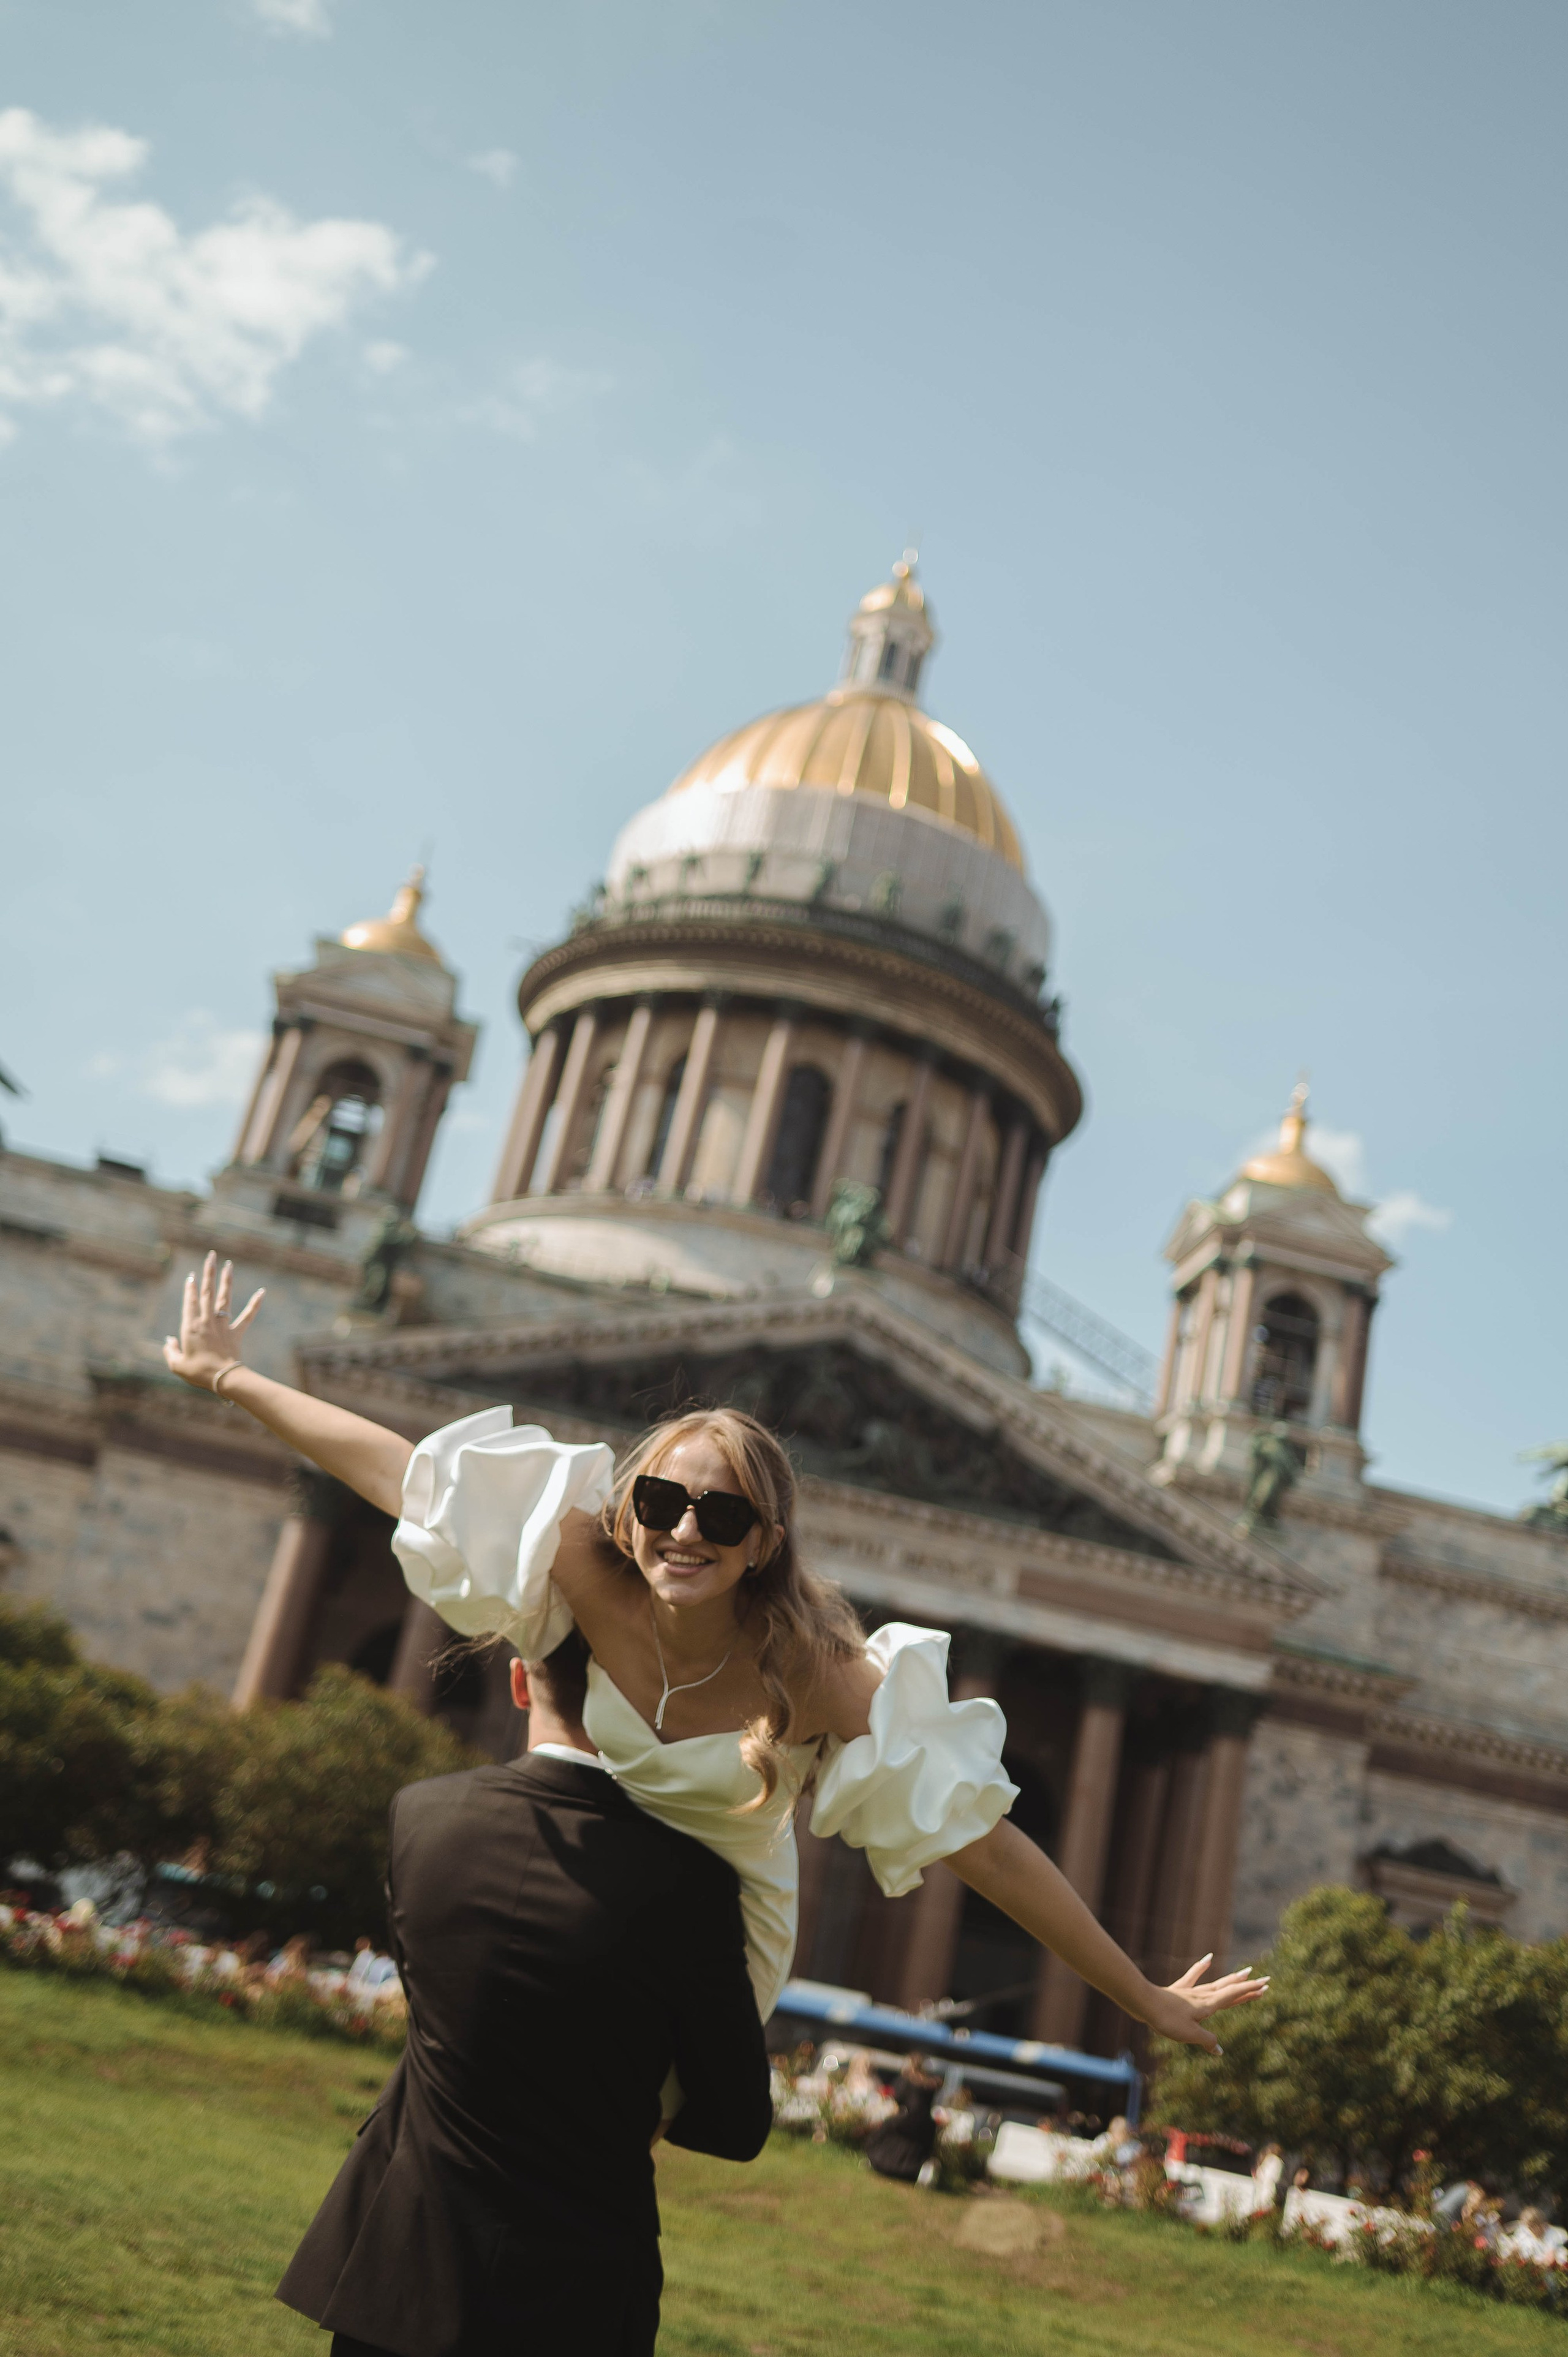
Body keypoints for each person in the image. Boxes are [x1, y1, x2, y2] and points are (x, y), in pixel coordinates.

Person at [166, 1254, 1269, 2052]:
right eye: (661, 1503)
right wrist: (229, 1378)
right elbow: (401, 1473)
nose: (686, 1531)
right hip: (596, 1880)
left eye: (724, 1516)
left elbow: (987, 1848)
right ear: (629, 1507)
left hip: (717, 1927)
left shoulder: (812, 1670)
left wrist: (1140, 1995)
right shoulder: (586, 1565)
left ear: (763, 1545)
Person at [277, 1629, 772, 2357]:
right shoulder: (692, 1880)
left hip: (399, 2262)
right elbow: (735, 2124)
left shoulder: (421, 1813)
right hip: (574, 2290)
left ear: (518, 1681)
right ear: (647, 1702)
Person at [864, 2053, 943, 2183]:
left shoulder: (907, 2081)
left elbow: (898, 2100)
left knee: (885, 2129)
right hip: (926, 2125)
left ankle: (878, 2162)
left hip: (908, 2120)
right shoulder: (929, 2084)